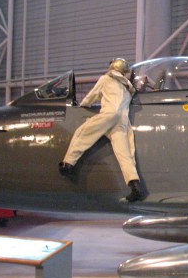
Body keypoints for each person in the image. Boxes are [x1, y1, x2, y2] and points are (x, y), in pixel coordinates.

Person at [58, 58, 143, 202]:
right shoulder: (128, 88)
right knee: (125, 155)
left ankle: (68, 165)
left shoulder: (106, 79)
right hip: (122, 121)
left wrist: (83, 105)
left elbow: (92, 96)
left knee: (83, 133)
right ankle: (135, 186)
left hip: (109, 115)